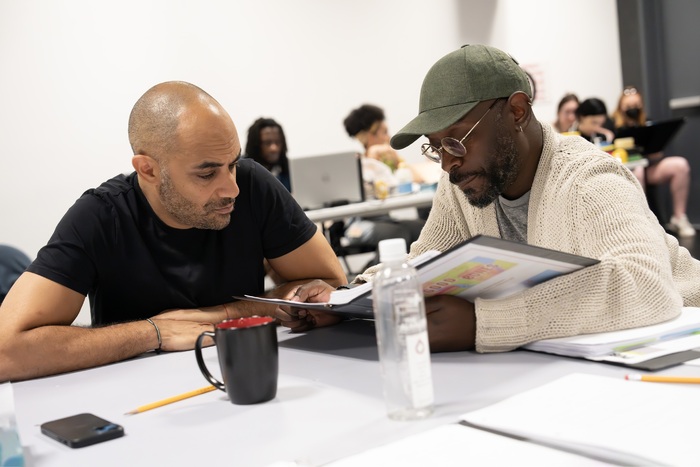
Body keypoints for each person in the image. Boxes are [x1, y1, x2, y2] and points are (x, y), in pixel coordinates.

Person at [285, 44, 700, 353]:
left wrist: (484, 323)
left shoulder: (589, 178)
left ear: (517, 112)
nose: (447, 163)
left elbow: (647, 286)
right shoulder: (462, 182)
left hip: (675, 353)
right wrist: (348, 300)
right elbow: (424, 261)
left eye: (456, 141)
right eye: (435, 147)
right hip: (557, 366)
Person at [0, 81, 347, 382]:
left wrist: (224, 315)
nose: (232, 189)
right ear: (148, 169)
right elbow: (6, 350)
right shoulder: (101, 217)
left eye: (232, 164)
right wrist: (152, 333)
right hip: (137, 408)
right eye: (207, 173)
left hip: (247, 377)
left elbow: (331, 292)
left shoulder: (253, 186)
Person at [340, 104, 427, 253]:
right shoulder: (357, 165)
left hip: (386, 221)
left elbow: (419, 180)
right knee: (396, 234)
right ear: (371, 135)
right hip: (357, 226)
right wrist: (372, 157)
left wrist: (397, 158)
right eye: (384, 132)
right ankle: (375, 273)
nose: (388, 137)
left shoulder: (387, 162)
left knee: (423, 228)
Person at [612, 85, 695, 237]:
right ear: (620, 107)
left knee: (680, 165)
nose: (633, 109)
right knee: (638, 173)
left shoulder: (646, 123)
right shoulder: (612, 126)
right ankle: (643, 222)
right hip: (626, 171)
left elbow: (656, 154)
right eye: (629, 106)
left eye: (636, 106)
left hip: (647, 167)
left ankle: (679, 218)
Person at [244, 117, 291, 192]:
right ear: (255, 145)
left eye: (278, 142)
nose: (274, 148)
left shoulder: (289, 169)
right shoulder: (240, 171)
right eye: (267, 143)